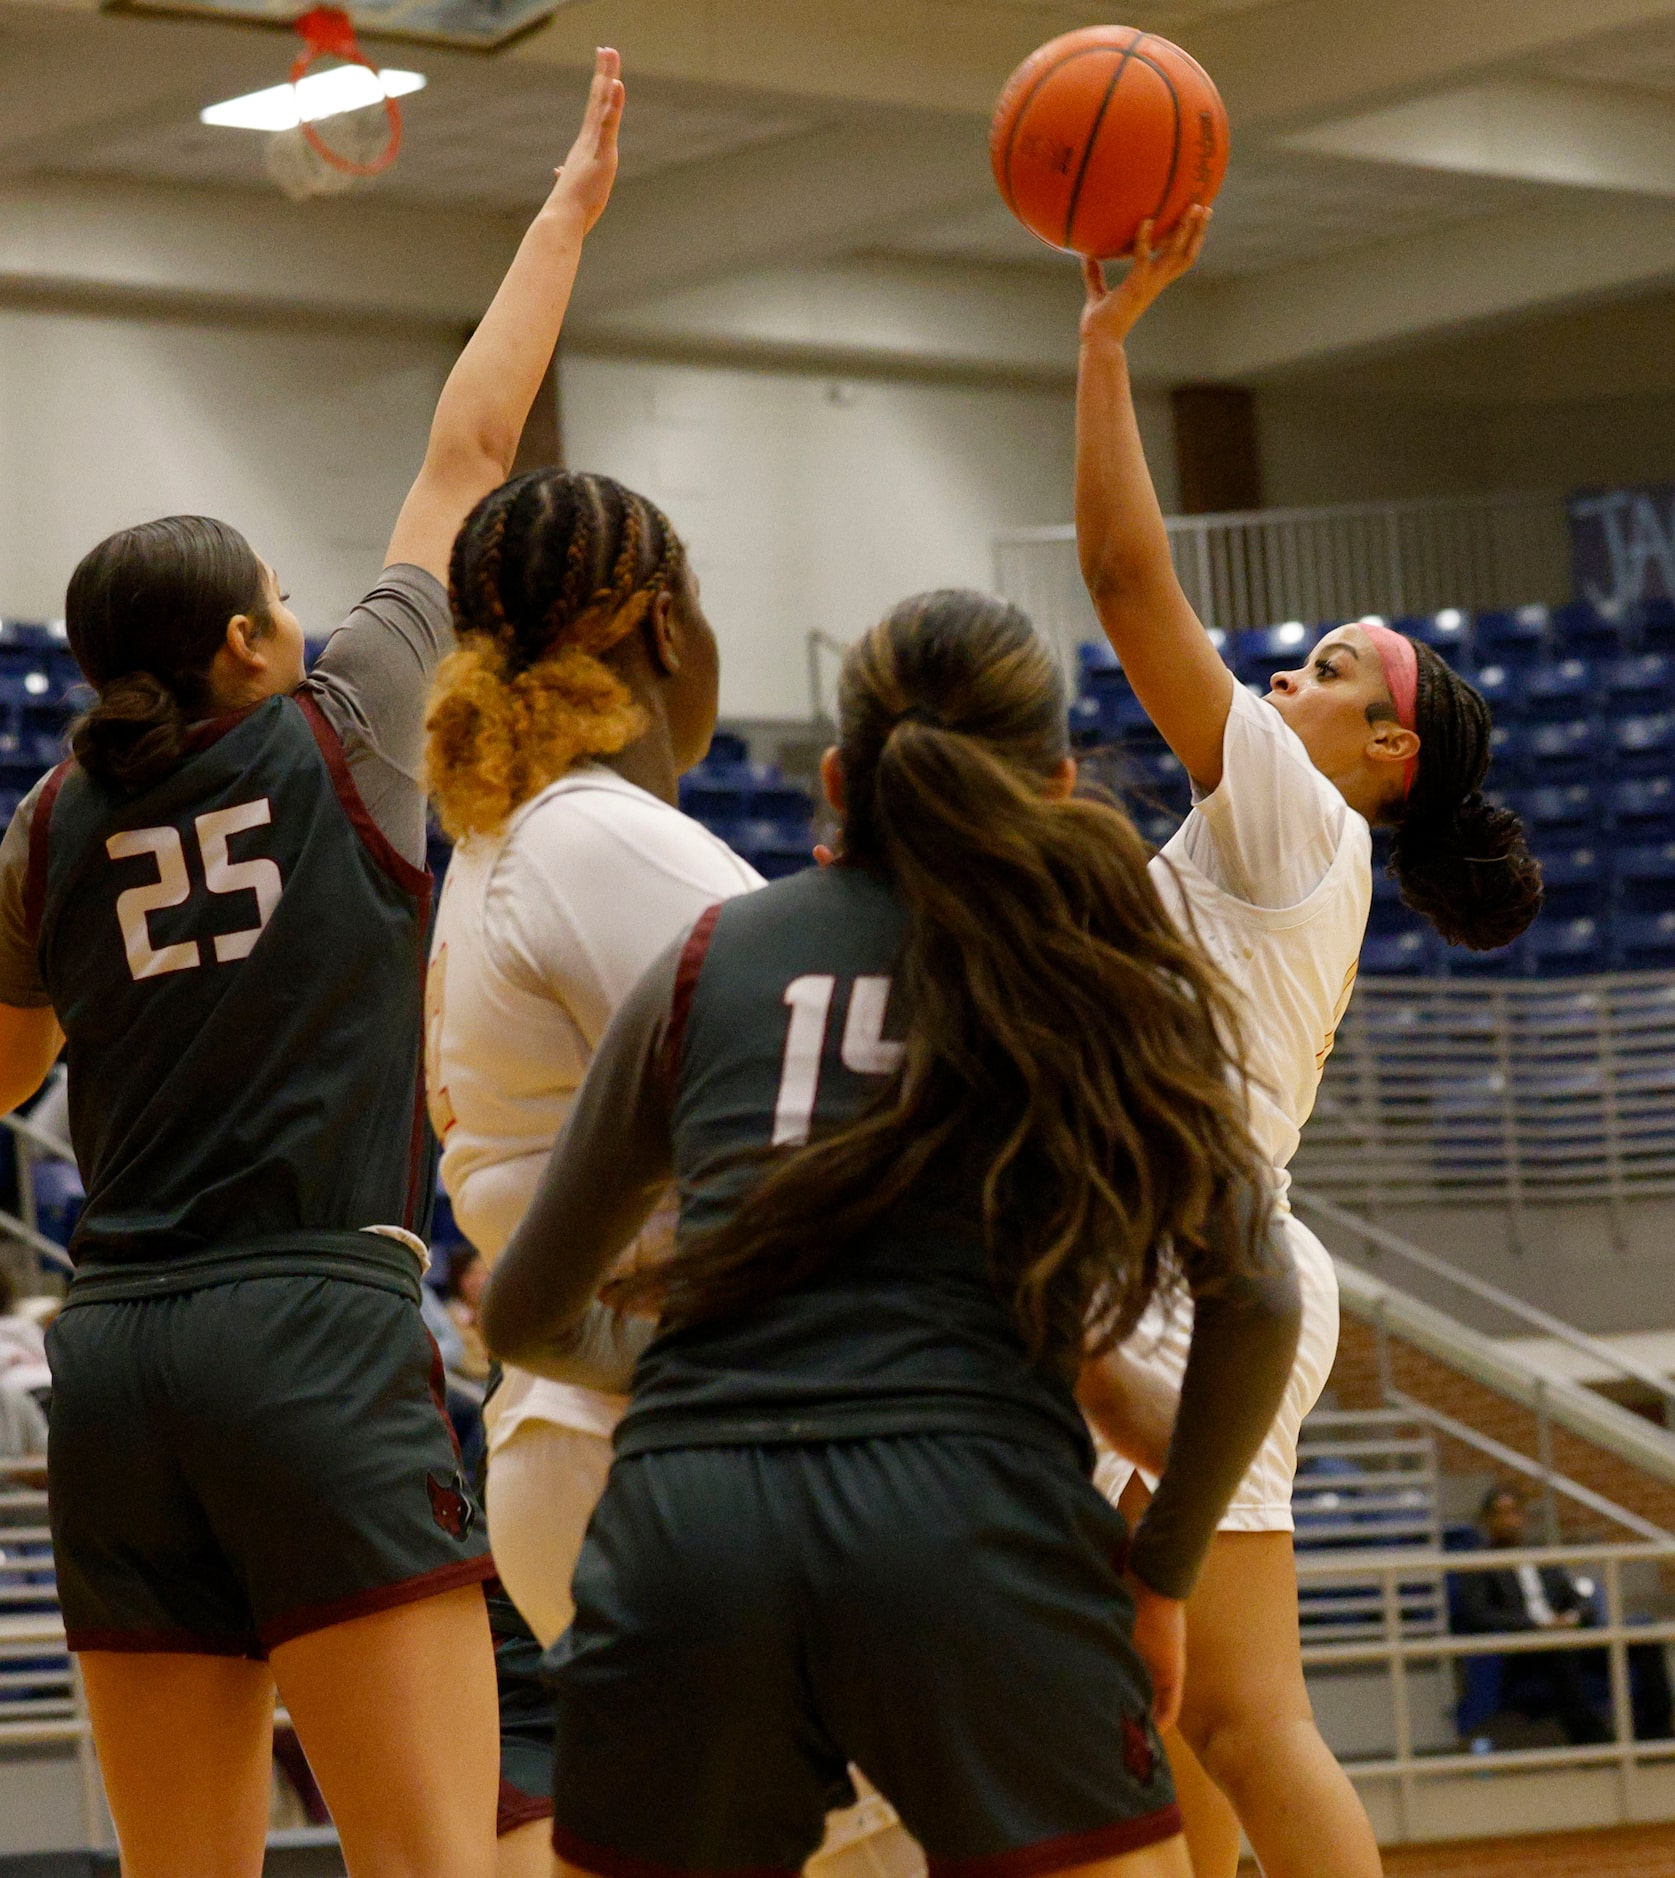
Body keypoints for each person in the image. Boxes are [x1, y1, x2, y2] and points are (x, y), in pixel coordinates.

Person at [0, 51, 627, 1878]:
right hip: (307, 1324)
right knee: (436, 1855)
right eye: (279, 591)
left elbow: (8, 1075)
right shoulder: (347, 723)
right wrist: (566, 210)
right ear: (252, 638)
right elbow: (471, 450)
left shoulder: (40, 828)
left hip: (109, 1357)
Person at [481, 589, 1304, 1878]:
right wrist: (1164, 1565)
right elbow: (1256, 1297)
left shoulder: (709, 956)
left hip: (694, 1527)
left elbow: (524, 1314)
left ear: (832, 776)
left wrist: (721, 1375)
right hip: (970, 1521)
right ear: (1060, 779)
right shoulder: (1093, 960)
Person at [1071, 207, 1543, 1878]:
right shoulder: (1297, 828)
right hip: (1186, 1252)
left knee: (1238, 1712)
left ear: (1389, 748)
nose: (1285, 673)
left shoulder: (1292, 814)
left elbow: (1129, 582)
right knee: (1186, 1701)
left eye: (1329, 668)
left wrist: (1109, 343)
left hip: (1207, 1270)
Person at [422, 465, 760, 1868]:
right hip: (660, 1434)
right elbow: (811, 1108)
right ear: (663, 627)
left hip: (595, 1418)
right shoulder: (605, 840)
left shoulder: (513, 834)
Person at [1453, 1486, 1671, 1746]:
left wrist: (1574, 1616)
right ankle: (1590, 1738)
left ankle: (1656, 1730)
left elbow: (1576, 1599)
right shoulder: (1478, 1564)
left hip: (1569, 1633)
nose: (1509, 1521)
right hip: (1529, 1646)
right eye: (1501, 1514)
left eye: (1514, 1513)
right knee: (1560, 1649)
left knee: (1643, 1630)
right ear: (1488, 1520)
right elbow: (1481, 1615)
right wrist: (1540, 1625)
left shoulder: (1542, 1557)